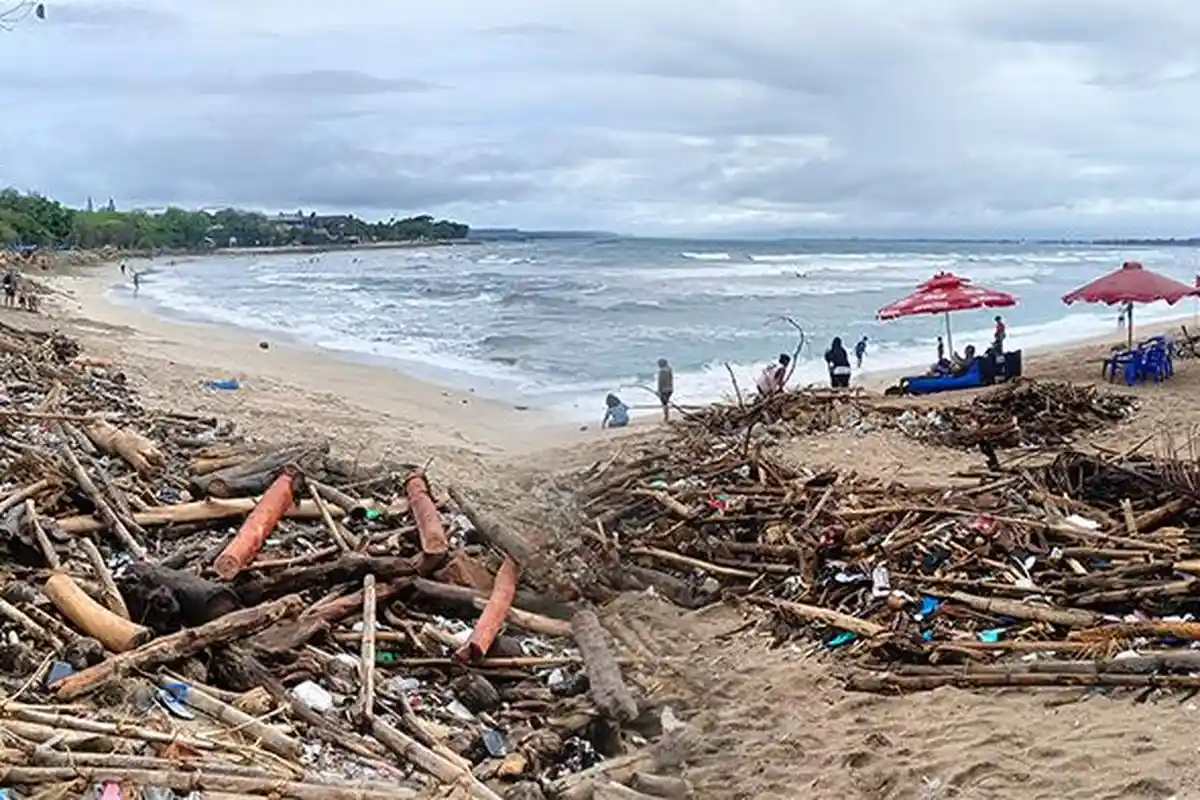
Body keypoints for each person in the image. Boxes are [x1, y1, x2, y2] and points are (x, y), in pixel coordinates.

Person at [656, 358, 674, 423]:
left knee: (664, 404)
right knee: (665, 403)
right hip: (670, 389)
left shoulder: (662, 371)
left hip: (664, 390)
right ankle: (666, 416)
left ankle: (666, 417)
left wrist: (659, 391)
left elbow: (661, 382)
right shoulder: (669, 370)